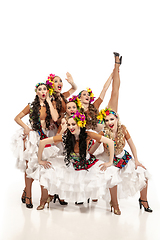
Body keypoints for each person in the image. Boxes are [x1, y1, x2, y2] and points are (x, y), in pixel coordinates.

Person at [36, 112, 123, 214]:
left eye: (73, 124)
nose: (70, 127)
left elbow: (110, 142)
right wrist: (40, 160)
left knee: (111, 172)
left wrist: (110, 162)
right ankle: (44, 199)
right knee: (46, 170)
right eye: (68, 125)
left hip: (87, 163)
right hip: (71, 164)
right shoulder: (65, 136)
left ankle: (115, 203)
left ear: (80, 124)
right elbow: (42, 142)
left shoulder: (87, 135)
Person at [90, 107, 153, 213]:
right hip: (108, 158)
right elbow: (93, 149)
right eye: (106, 120)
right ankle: (114, 203)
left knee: (143, 173)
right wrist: (88, 157)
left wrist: (136, 160)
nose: (109, 122)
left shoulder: (123, 129)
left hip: (122, 158)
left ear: (117, 119)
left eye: (112, 119)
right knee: (112, 177)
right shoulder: (103, 133)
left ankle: (143, 200)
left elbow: (132, 145)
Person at [12, 81, 59, 208]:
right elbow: (17, 118)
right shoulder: (31, 106)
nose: (43, 91)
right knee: (30, 167)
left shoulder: (51, 105)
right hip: (32, 137)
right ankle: (28, 196)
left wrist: (49, 101)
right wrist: (26, 128)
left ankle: (27, 192)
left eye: (45, 89)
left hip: (44, 137)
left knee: (42, 166)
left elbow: (55, 118)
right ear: (36, 92)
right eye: (40, 89)